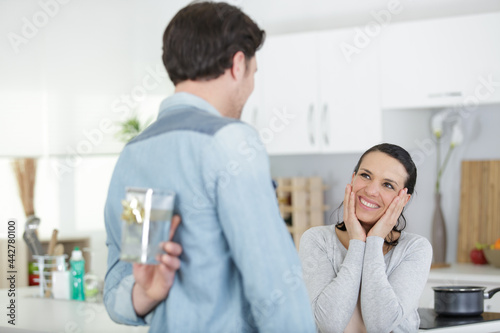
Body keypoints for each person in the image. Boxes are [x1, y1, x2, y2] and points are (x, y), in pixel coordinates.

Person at [103, 2, 316, 332]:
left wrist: (146, 294)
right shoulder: (230, 141)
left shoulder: (136, 154)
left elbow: (125, 285)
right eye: (253, 74)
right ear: (238, 64)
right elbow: (274, 288)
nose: (251, 87)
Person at [299, 143, 433, 333]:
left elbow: (380, 325)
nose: (371, 191)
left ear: (403, 199)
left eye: (387, 185)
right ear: (353, 179)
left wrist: (374, 241)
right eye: (365, 175)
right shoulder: (317, 240)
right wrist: (357, 244)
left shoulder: (415, 248)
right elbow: (330, 324)